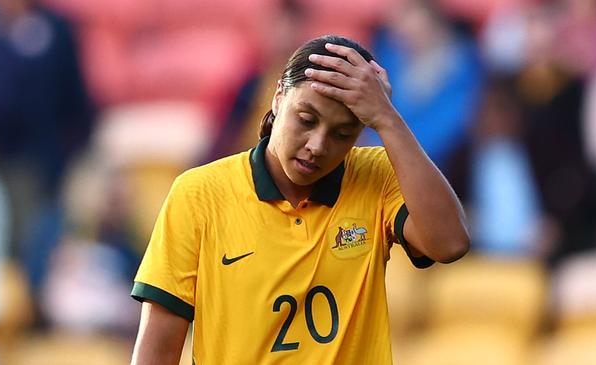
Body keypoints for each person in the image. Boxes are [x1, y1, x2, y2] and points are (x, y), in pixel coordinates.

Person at [129, 35, 470, 365]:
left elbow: (450, 243)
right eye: (306, 120)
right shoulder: (199, 194)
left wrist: (387, 119)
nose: (317, 146)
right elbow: (157, 349)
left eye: (342, 134)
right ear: (278, 98)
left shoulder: (377, 175)